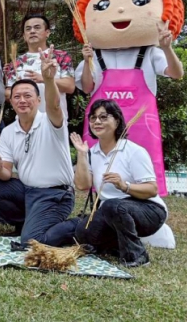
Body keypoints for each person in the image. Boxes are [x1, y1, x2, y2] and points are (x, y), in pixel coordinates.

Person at [74, 0, 185, 196]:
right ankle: (101, 207)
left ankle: (146, 209)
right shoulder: (95, 55)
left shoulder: (151, 53)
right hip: (101, 124)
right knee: (100, 173)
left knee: (143, 172)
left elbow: (176, 73)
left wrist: (167, 48)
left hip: (141, 125)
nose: (121, 9)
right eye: (103, 6)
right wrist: (86, 62)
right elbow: (86, 88)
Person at [0, 47, 74, 249]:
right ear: (11, 102)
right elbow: (5, 174)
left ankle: (81, 225)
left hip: (55, 194)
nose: (22, 100)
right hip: (27, 191)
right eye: (17, 97)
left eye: (27, 96)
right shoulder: (9, 132)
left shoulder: (51, 122)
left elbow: (55, 105)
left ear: (39, 101)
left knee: (31, 242)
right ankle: (27, 221)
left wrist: (48, 79)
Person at [69, 100, 168, 267]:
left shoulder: (134, 151)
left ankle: (137, 255)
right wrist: (81, 154)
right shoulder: (92, 152)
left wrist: (124, 186)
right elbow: (82, 185)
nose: (97, 122)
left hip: (149, 211)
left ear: (117, 121)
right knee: (82, 232)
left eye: (103, 117)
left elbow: (152, 189)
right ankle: (116, 246)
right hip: (111, 213)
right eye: (93, 118)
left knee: (113, 205)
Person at [4, 13, 75, 120]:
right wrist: (22, 93)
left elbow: (70, 86)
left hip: (55, 121)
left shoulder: (60, 56)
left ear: (47, 33)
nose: (32, 31)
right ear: (24, 36)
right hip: (25, 121)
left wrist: (45, 79)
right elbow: (8, 93)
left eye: (37, 27)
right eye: (28, 29)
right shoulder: (16, 62)